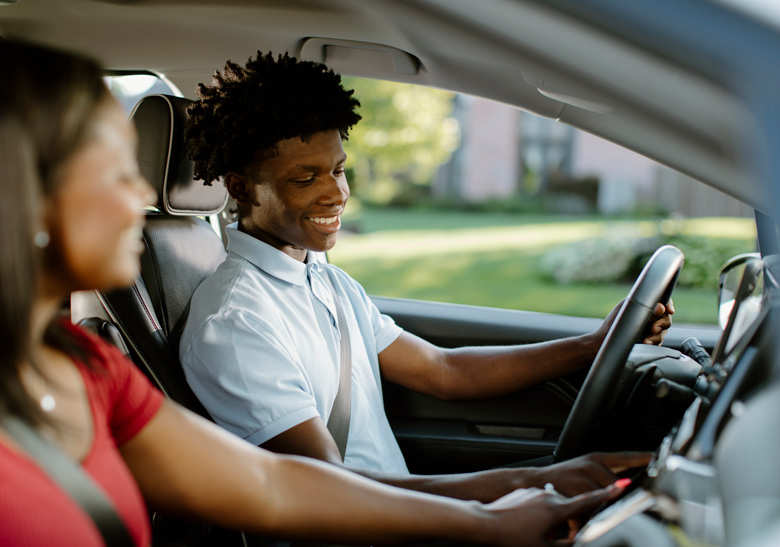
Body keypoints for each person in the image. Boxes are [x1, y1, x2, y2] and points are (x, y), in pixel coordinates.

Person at [0, 40, 631, 546]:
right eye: (113, 173)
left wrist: (509, 496)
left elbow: (268, 482)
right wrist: (494, 505)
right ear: (22, 196)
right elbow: (308, 483)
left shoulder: (91, 370)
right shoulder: (231, 318)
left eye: (337, 170)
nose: (141, 196)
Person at [180, 52, 671, 503]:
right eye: (306, 179)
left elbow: (443, 371)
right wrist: (518, 488)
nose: (337, 194)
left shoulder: (324, 281)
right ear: (242, 188)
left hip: (404, 514)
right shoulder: (235, 321)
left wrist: (594, 344)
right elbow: (332, 490)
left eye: (339, 170)